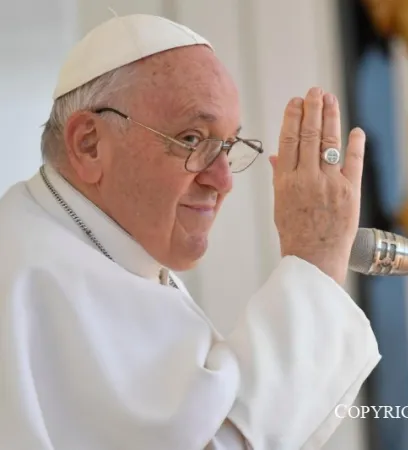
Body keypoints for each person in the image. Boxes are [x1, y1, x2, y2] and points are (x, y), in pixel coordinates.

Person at [0, 13, 380, 450]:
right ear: (89, 143)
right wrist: (315, 257)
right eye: (192, 139)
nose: (222, 180)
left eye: (229, 146)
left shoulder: (101, 250)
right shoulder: (33, 275)